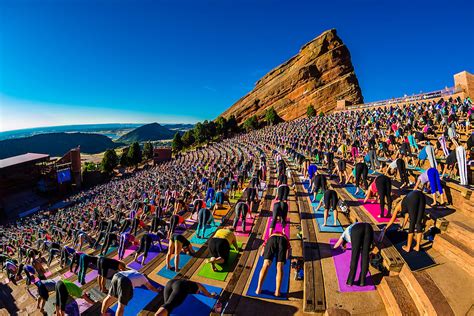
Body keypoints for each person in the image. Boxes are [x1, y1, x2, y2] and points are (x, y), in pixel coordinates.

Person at [333, 222, 377, 286]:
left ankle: (350, 281)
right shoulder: (349, 229)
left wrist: (333, 248)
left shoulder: (344, 234)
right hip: (369, 227)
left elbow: (337, 244)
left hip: (357, 230)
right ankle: (362, 282)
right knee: (365, 255)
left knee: (355, 256)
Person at [255, 232, 291, 297]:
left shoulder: (270, 235)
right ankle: (277, 292)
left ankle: (258, 289)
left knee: (266, 264)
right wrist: (286, 258)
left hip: (272, 240)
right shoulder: (285, 237)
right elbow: (288, 250)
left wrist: (262, 253)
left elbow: (264, 246)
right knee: (279, 266)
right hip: (283, 241)